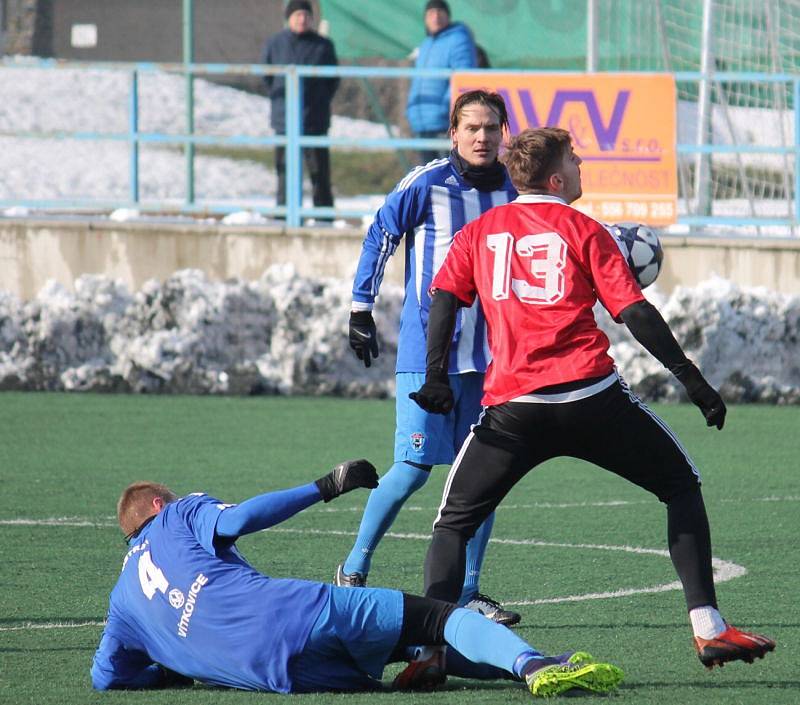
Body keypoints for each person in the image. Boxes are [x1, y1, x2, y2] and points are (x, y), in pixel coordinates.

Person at [402, 127, 777, 679]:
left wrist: (435, 373)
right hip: (591, 399)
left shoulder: (479, 232)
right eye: (575, 160)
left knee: (452, 525)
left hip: (514, 409)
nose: (581, 167)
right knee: (679, 486)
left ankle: (428, 655)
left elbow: (444, 301)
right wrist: (691, 380)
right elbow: (636, 313)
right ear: (556, 178)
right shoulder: (585, 228)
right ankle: (709, 628)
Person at [90, 459, 624, 697]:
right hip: (290, 613)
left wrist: (168, 675)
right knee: (441, 618)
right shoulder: (178, 515)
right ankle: (531, 666)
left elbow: (106, 677)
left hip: (279, 678)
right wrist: (325, 486)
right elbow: (240, 519)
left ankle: (459, 663)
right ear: (158, 504)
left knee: (414, 645)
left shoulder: (121, 605)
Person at [338, 89, 520, 626]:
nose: (483, 137)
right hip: (428, 356)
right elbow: (380, 234)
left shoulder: (515, 191)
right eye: (472, 127)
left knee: (483, 475)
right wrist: (360, 309)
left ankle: (469, 591)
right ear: (454, 134)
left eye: (492, 127)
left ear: (503, 133)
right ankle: (353, 568)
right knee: (413, 469)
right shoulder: (428, 183)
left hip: (489, 361)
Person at [261, 0, 338, 218]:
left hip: (315, 119)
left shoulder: (323, 46)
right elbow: (267, 78)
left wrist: (318, 102)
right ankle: (283, 215)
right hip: (284, 122)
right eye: (297, 15)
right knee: (284, 172)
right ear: (289, 18)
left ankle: (324, 217)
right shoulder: (275, 44)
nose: (302, 19)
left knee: (319, 173)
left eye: (306, 15)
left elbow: (333, 80)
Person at [407, 0, 477, 164]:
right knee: (429, 176)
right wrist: (411, 109)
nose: (436, 17)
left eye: (440, 12)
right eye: (431, 13)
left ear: (448, 16)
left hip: (443, 121)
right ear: (425, 18)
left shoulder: (458, 40)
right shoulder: (426, 44)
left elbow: (463, 77)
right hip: (422, 122)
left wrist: (448, 108)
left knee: (449, 174)